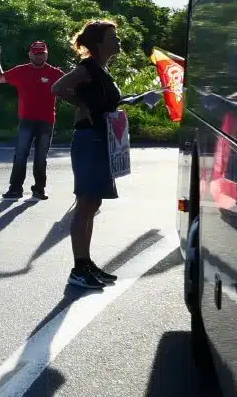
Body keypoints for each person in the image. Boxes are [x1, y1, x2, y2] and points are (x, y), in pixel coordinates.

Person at [51, 20, 157, 289]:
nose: (118, 41)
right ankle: (79, 268)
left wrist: (136, 98)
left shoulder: (102, 70)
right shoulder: (87, 68)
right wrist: (81, 105)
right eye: (113, 37)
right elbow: (59, 87)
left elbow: (106, 102)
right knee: (85, 203)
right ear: (98, 43)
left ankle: (86, 263)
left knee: (94, 203)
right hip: (90, 139)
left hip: (103, 140)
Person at [0, 41, 64, 200]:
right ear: (30, 54)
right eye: (36, 53)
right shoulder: (21, 71)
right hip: (26, 120)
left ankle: (39, 189)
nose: (39, 56)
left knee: (41, 157)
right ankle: (15, 189)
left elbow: (72, 87)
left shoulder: (55, 73)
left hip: (46, 121)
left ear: (47, 54)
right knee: (20, 155)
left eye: (42, 53)